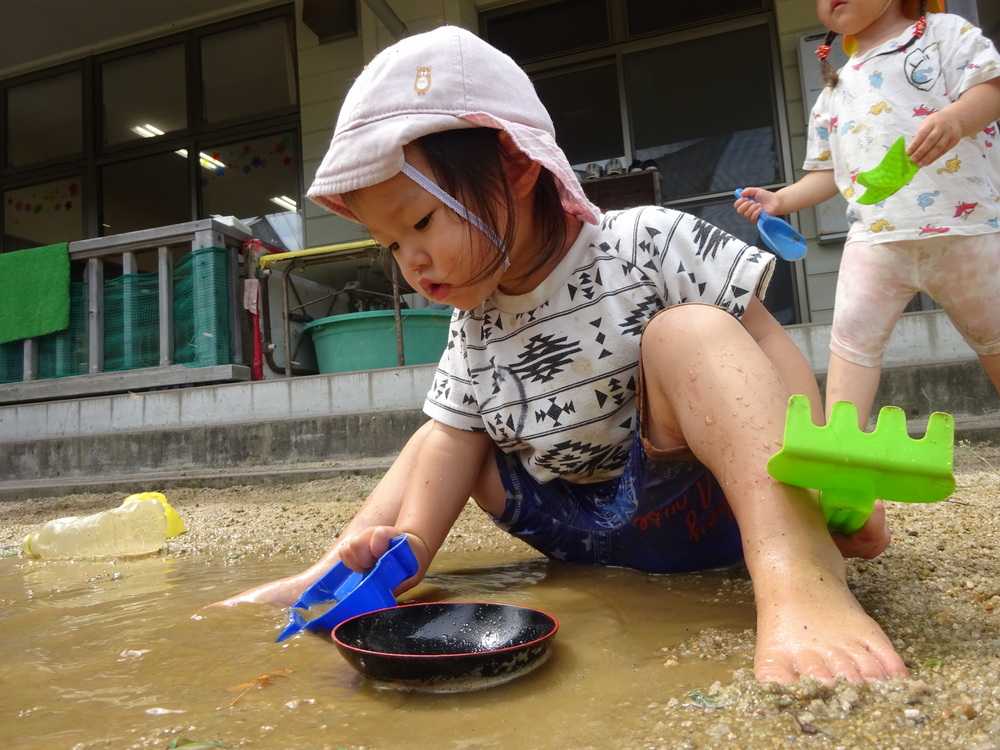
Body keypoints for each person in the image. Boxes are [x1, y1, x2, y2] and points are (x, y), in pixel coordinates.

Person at [217, 25, 907, 685]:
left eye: (421, 222)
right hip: (569, 528)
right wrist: (411, 550)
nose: (412, 263)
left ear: (517, 165)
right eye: (392, 245)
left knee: (692, 334)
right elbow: (453, 446)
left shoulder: (645, 243)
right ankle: (342, 567)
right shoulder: (474, 323)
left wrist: (819, 486)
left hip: (691, 502)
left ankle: (799, 572)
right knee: (446, 427)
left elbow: (762, 346)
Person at [735, 0, 1000, 428]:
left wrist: (955, 118)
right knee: (851, 345)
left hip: (966, 229)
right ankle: (844, 459)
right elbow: (827, 175)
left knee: (995, 341)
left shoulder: (945, 33)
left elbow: (992, 87)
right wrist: (780, 201)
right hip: (875, 241)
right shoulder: (834, 91)